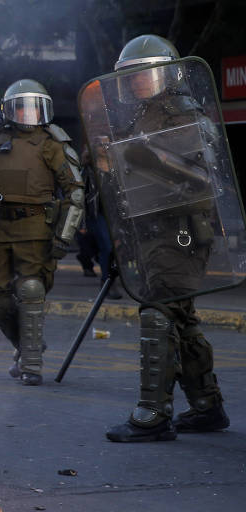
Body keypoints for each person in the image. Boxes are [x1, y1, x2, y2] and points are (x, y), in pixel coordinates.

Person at [86, 35, 231, 442]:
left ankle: (153, 413)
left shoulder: (187, 117)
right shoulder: (138, 121)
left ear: (168, 73)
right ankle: (207, 406)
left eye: (144, 74)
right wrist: (105, 164)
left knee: (158, 311)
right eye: (131, 76)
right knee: (181, 319)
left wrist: (145, 158)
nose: (137, 82)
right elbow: (130, 187)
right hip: (149, 233)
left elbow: (206, 182)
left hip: (182, 232)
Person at [0, 79, 85, 386]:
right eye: (20, 106)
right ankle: (25, 344)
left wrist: (64, 236)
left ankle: (31, 364)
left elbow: (75, 191)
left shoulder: (52, 143)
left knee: (31, 289)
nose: (27, 113)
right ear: (8, 110)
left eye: (33, 106)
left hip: (36, 227)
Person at [80, 148, 121, 299]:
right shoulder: (88, 170)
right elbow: (81, 198)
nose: (105, 147)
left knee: (118, 248)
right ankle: (107, 282)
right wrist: (82, 223)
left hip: (116, 215)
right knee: (107, 247)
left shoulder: (116, 167)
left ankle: (112, 278)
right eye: (101, 144)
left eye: (107, 143)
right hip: (97, 214)